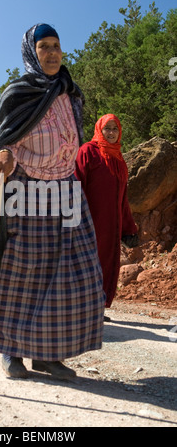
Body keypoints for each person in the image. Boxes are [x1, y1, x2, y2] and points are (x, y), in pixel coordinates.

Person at [0, 24, 105, 381]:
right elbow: (4, 138)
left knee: (70, 274)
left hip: (66, 190)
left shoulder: (69, 92)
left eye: (56, 46)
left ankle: (48, 354)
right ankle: (10, 350)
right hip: (28, 190)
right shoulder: (18, 93)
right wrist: (2, 153)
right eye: (44, 46)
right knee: (20, 272)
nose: (52, 53)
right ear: (32, 52)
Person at [75, 114, 138, 314]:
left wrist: (129, 228)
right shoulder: (87, 152)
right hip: (88, 222)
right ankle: (81, 308)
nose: (111, 133)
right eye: (107, 129)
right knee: (85, 263)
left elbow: (123, 198)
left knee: (106, 264)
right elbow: (76, 185)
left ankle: (97, 308)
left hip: (112, 226)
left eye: (115, 129)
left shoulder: (119, 159)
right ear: (99, 130)